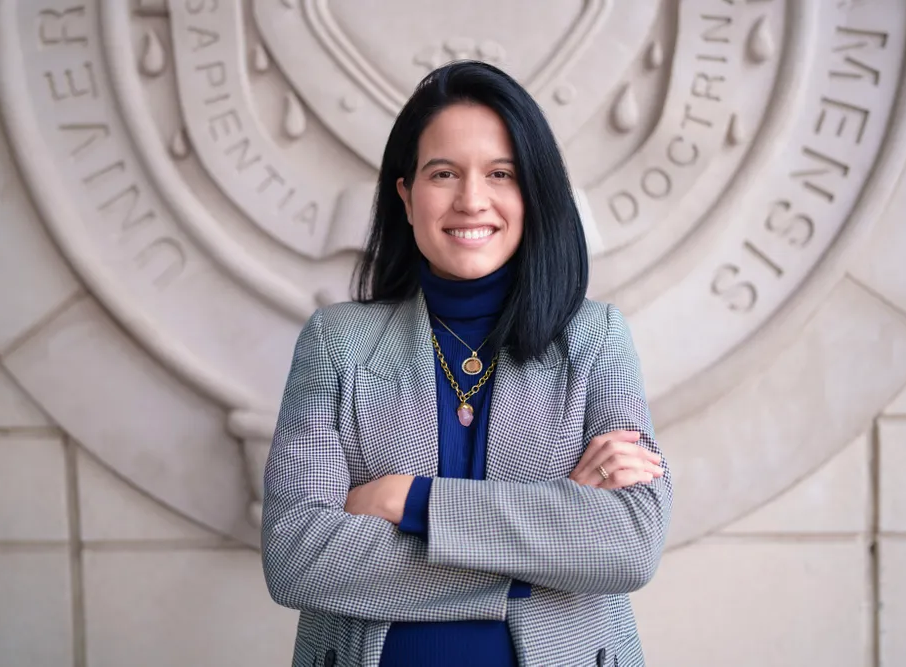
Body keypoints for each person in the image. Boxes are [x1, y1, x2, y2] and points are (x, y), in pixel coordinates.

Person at [261, 60, 672, 667]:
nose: (471, 200)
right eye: (443, 173)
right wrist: (547, 545)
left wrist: (411, 502)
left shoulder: (594, 339)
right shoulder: (336, 343)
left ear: (532, 192)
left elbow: (629, 546)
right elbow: (297, 559)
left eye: (500, 173)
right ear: (405, 195)